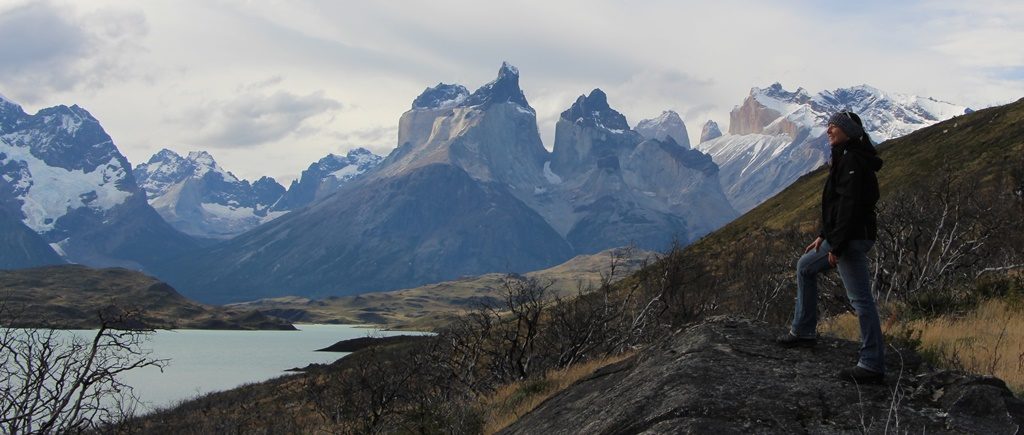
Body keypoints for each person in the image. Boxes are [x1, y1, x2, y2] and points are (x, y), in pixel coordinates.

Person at [776, 110, 886, 384]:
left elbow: (850, 207)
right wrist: (824, 235)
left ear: (847, 130)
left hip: (851, 238)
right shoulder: (846, 157)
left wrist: (836, 245)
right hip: (843, 235)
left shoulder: (852, 161)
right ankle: (803, 331)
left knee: (860, 300)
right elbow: (836, 204)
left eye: (833, 126)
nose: (828, 131)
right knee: (805, 267)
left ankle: (871, 363)